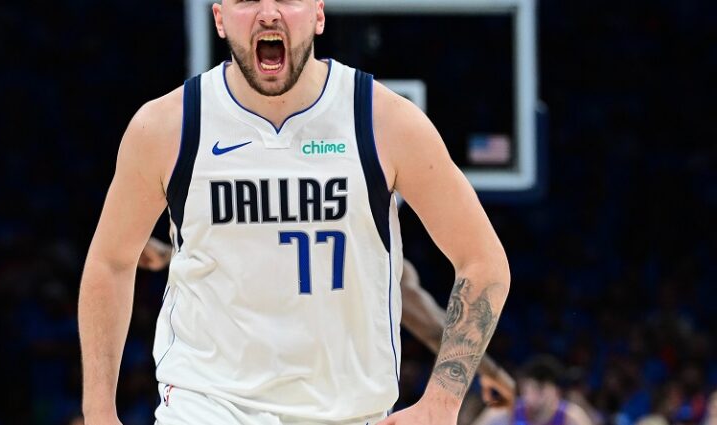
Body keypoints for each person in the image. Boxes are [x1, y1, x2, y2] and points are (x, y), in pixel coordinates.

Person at [78, 0, 510, 423]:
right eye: (247, 0)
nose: (268, 13)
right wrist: (98, 413)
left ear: (318, 14)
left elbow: (483, 261)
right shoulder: (167, 126)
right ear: (219, 19)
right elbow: (110, 262)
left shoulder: (385, 120)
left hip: (349, 411)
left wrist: (442, 401)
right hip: (205, 405)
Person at [140, 237, 516, 407]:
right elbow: (432, 326)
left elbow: (225, 255)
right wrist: (493, 372)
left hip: (253, 391)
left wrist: (169, 254)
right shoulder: (373, 253)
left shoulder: (262, 224)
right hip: (319, 398)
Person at [472, 355, 594, 425]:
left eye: (541, 389)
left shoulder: (571, 417)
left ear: (557, 392)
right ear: (523, 389)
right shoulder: (505, 412)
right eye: (531, 388)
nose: (535, 395)